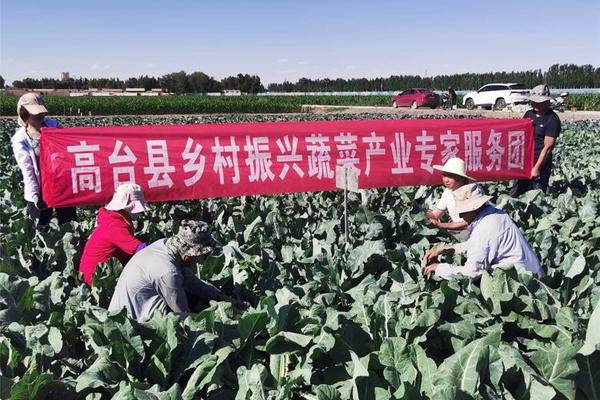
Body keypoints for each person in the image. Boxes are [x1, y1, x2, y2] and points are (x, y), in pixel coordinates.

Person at [109, 220, 246, 321]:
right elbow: (182, 314)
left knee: (195, 298)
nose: (202, 260)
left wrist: (227, 300)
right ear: (189, 254)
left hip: (135, 307)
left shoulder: (166, 247)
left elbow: (194, 284)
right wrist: (222, 318)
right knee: (193, 318)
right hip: (134, 322)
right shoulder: (167, 271)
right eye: (202, 255)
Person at [422, 183, 543, 280]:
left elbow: (471, 274)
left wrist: (438, 268)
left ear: (474, 207)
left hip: (523, 283)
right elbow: (481, 244)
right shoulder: (495, 213)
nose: (460, 215)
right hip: (534, 272)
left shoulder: (483, 230)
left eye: (463, 211)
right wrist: (447, 249)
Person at [11, 93, 77, 227]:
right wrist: (35, 196)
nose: (41, 116)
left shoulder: (54, 125)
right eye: (35, 114)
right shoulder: (20, 139)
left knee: (69, 223)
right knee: (40, 228)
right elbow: (28, 170)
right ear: (25, 116)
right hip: (40, 188)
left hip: (61, 184)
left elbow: (69, 146)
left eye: (41, 113)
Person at [79, 183, 149, 285]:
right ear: (128, 208)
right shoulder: (114, 225)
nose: (140, 212)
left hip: (97, 274)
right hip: (97, 279)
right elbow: (140, 249)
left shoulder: (111, 218)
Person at [509, 87, 561, 196]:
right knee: (515, 192)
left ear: (547, 102)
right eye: (534, 101)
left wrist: (536, 168)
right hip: (526, 162)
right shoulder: (529, 114)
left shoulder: (552, 119)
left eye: (539, 102)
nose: (536, 104)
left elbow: (548, 148)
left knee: (537, 195)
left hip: (540, 163)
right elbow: (520, 135)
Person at [426, 157, 484, 232]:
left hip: (477, 231)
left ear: (461, 177)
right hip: (461, 233)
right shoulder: (448, 191)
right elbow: (435, 214)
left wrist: (439, 225)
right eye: (444, 175)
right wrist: (422, 215)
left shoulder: (473, 190)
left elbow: (467, 223)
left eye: (450, 176)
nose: (445, 180)